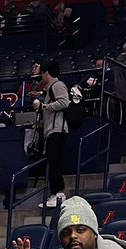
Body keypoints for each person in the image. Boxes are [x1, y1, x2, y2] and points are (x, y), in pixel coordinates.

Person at [32, 57, 71, 208]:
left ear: (47, 73)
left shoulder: (57, 85)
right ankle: (54, 194)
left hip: (57, 130)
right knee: (51, 162)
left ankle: (59, 193)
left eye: (42, 73)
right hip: (50, 130)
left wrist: (43, 106)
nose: (41, 76)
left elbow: (64, 102)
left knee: (55, 162)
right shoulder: (50, 89)